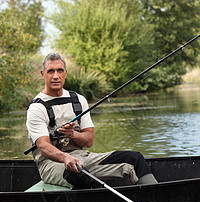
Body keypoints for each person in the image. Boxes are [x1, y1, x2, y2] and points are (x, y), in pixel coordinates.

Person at [26, 52, 157, 188]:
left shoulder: (78, 100)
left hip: (84, 157)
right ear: (43, 74)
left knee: (134, 159)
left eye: (59, 70)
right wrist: (65, 157)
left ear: (65, 73)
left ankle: (155, 198)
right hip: (51, 165)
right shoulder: (37, 108)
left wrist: (73, 134)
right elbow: (43, 147)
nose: (55, 76)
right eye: (50, 71)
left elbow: (89, 140)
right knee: (77, 174)